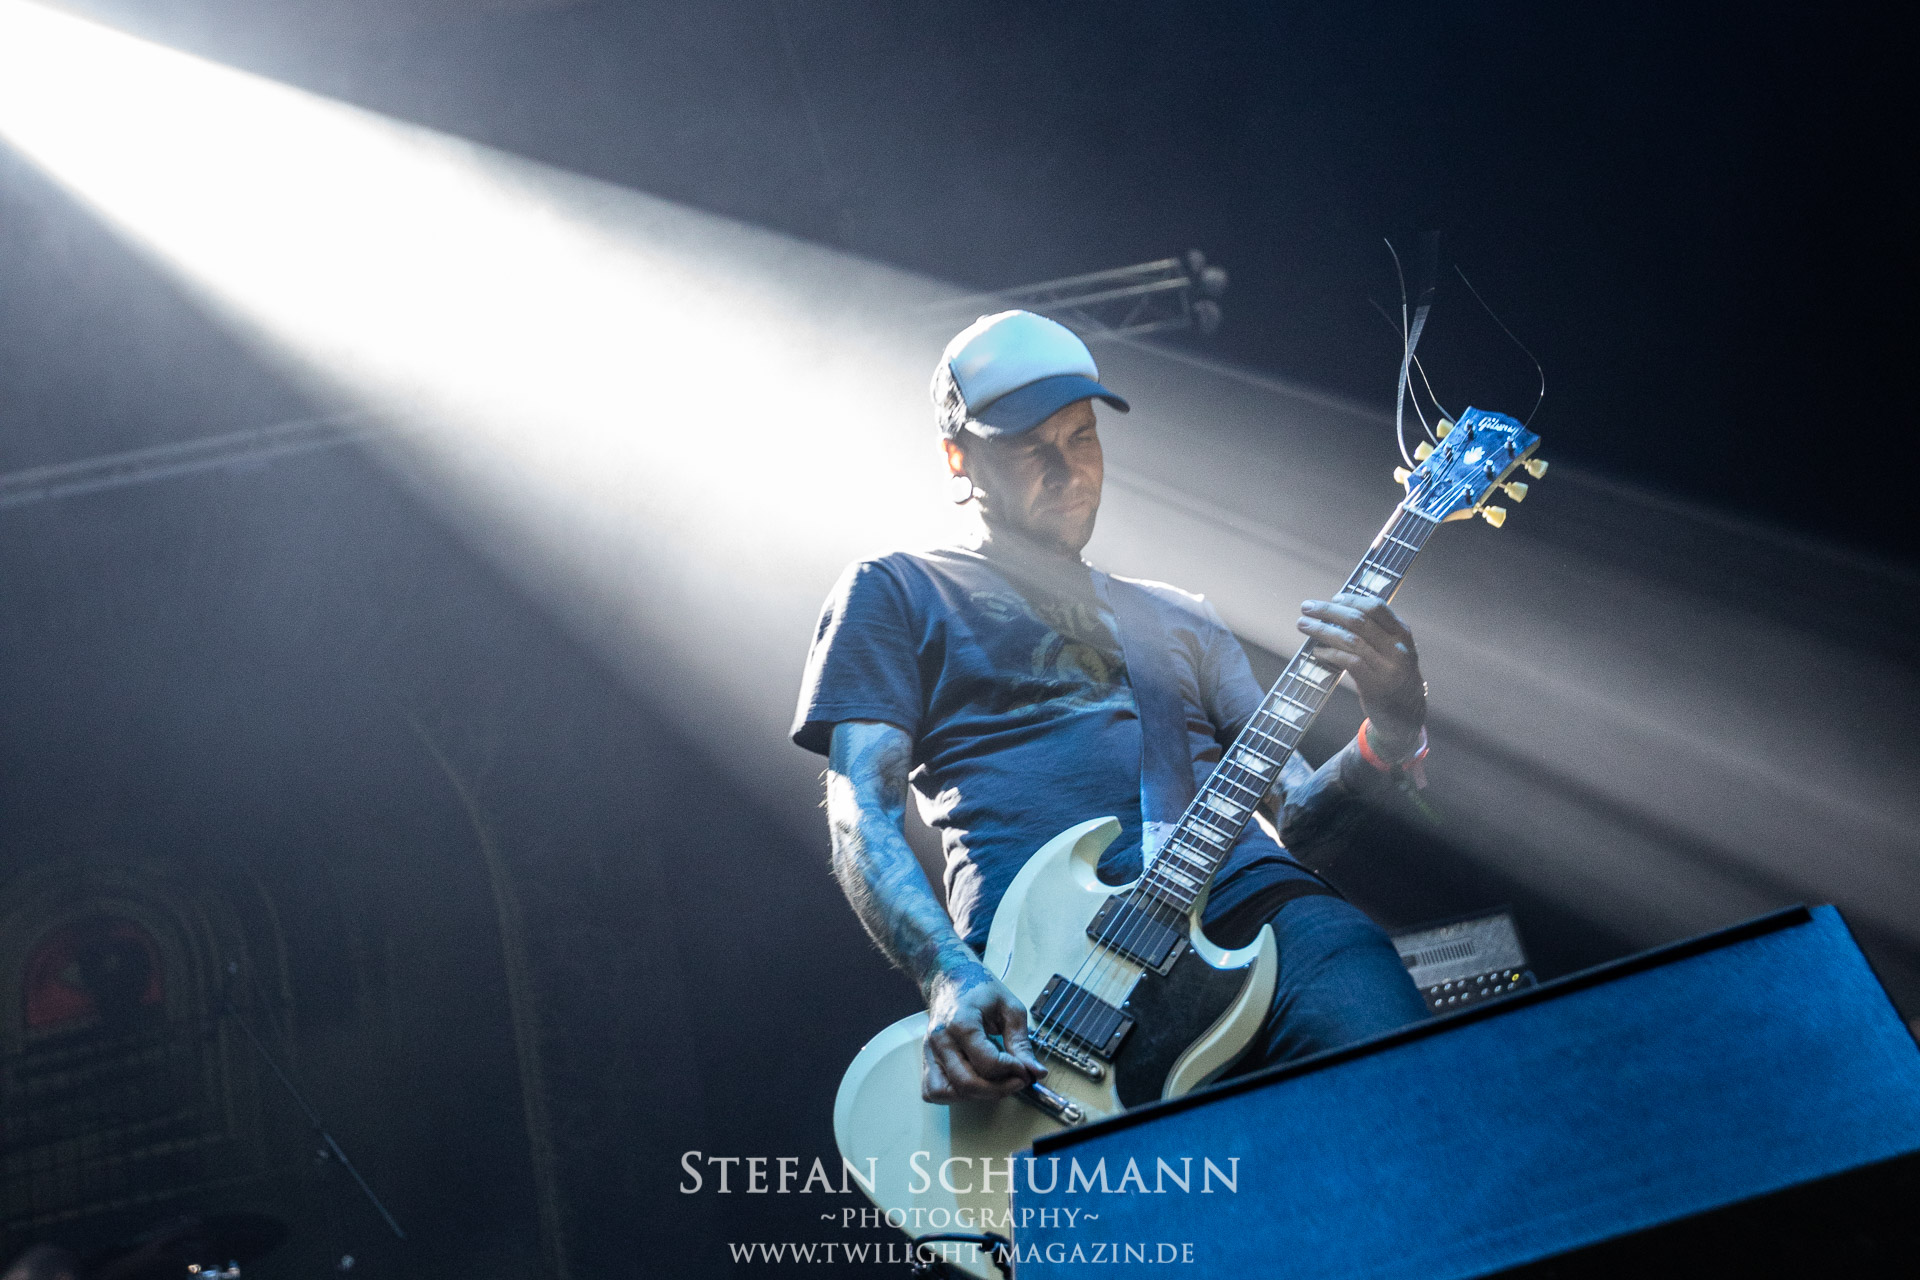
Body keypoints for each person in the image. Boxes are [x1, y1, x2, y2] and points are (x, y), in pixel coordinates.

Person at [792, 310, 1430, 1104]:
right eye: (1030, 446)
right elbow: (861, 811)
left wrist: (1393, 726)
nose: (1067, 470)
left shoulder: (1180, 615)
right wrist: (947, 975)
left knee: (1418, 1100)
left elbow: (1297, 818)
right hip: (1052, 976)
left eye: (1082, 437)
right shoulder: (896, 589)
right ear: (959, 458)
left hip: (1258, 908)